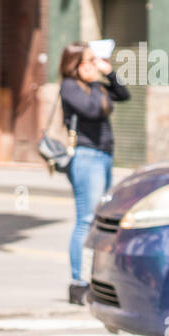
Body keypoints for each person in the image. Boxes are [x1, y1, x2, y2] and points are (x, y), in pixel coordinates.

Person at [59, 41, 130, 305]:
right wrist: (95, 81)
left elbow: (123, 95)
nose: (92, 66)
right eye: (87, 61)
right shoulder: (69, 87)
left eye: (93, 60)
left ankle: (92, 279)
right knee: (85, 220)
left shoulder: (96, 85)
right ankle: (78, 283)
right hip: (86, 157)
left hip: (104, 155)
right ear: (74, 65)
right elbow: (92, 109)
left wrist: (108, 73)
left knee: (96, 219)